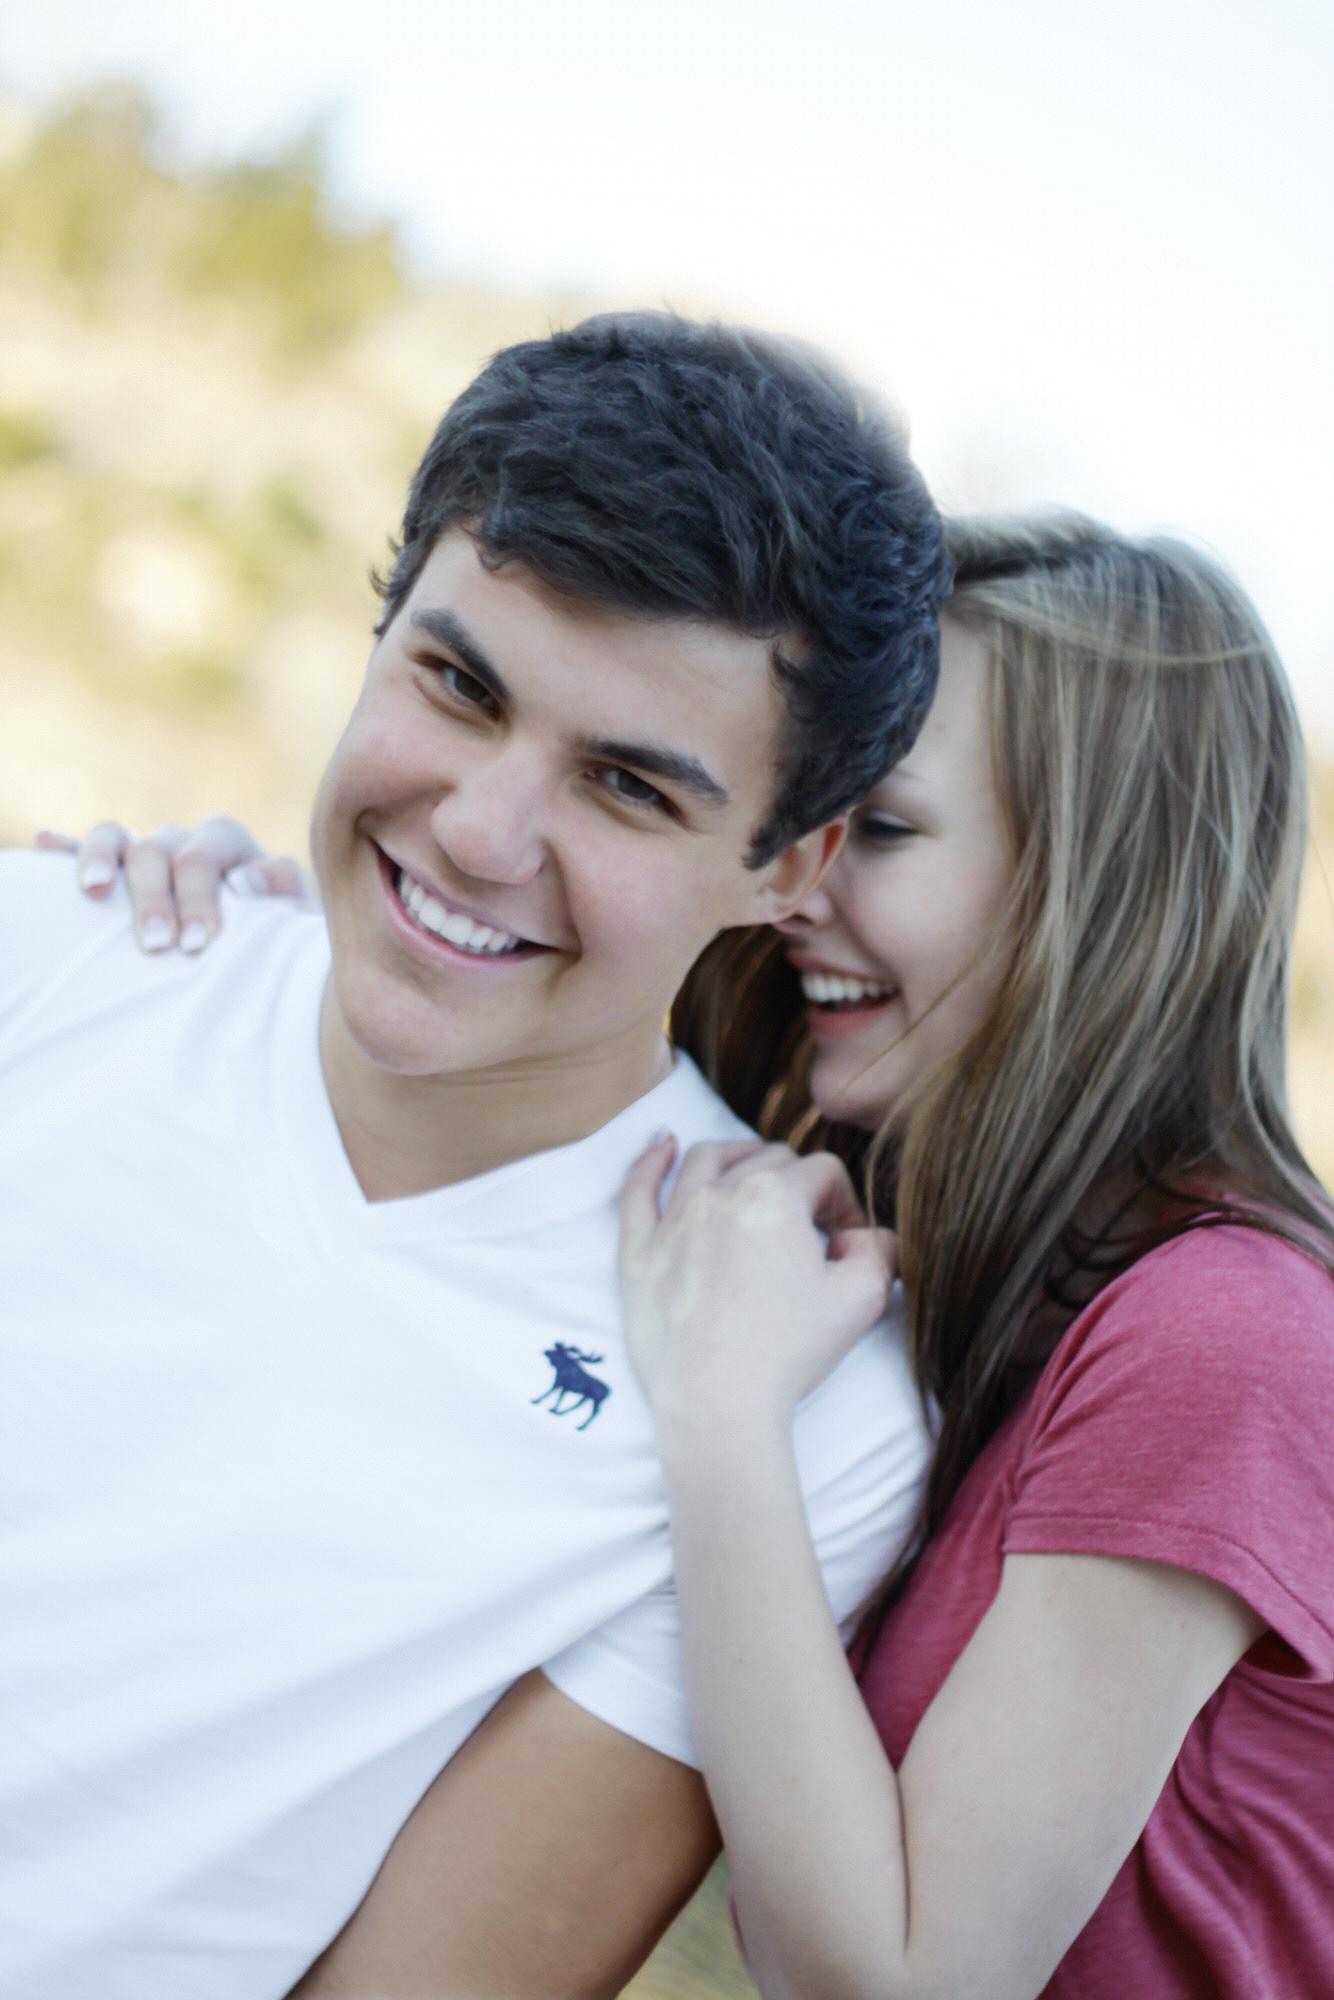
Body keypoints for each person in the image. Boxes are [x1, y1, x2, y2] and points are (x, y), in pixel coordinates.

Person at [125, 513, 1334, 1998]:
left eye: (879, 831)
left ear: (1098, 889)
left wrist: (723, 1420)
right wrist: (273, 950)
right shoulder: (957, 1254)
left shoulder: (1228, 1331)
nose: (797, 887)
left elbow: (906, 1982)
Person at [0, 311, 948, 2000]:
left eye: (627, 790)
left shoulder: (799, 1409)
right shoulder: (45, 955)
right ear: (380, 625)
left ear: (788, 862)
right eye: (456, 684)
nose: (482, 835)